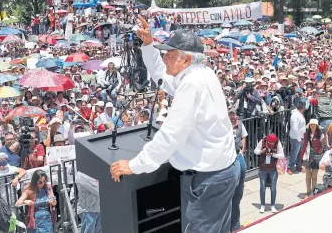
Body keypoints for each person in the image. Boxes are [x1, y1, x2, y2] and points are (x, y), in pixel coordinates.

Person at [111, 18, 240, 233]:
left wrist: (134, 165)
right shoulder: (201, 74)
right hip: (219, 174)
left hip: (208, 180)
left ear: (186, 60)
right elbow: (162, 76)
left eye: (170, 55)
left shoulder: (192, 84)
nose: (165, 58)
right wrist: (148, 45)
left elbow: (171, 136)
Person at [254, 133, 285, 213]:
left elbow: (282, 155)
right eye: (269, 143)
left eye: (272, 143)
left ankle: (272, 205)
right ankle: (263, 205)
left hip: (273, 168)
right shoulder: (262, 141)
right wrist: (261, 151)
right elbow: (255, 151)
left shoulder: (278, 143)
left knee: (273, 187)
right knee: (262, 187)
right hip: (263, 168)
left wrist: (273, 154)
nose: (270, 145)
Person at [228, 109, 247, 231]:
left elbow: (244, 136)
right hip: (229, 156)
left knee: (236, 199)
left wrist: (243, 150)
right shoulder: (225, 125)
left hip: (238, 154)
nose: (232, 116)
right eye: (230, 114)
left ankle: (235, 225)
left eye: (233, 114)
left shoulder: (240, 124)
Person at [300, 119, 324, 198]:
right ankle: (308, 192)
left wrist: (320, 157)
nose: (312, 126)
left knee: (314, 176)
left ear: (316, 126)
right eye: (311, 124)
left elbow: (322, 147)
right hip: (307, 156)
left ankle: (313, 192)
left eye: (314, 124)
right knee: (308, 176)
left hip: (316, 157)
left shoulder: (320, 135)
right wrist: (301, 158)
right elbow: (303, 146)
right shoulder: (306, 134)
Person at [288, 101, 306, 174]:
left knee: (299, 153)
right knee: (294, 153)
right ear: (303, 107)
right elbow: (294, 128)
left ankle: (298, 166)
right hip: (296, 137)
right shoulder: (295, 115)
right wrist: (298, 138)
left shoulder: (299, 114)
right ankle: (290, 167)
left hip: (301, 137)